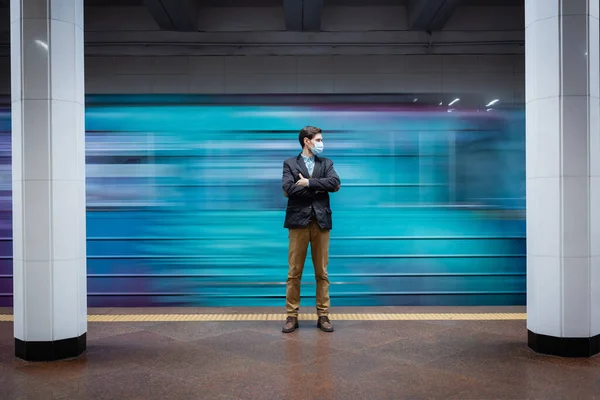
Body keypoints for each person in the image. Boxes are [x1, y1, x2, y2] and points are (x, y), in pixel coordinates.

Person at [281, 126, 341, 333]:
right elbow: (288, 189)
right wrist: (318, 187)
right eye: (318, 139)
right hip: (298, 223)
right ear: (306, 141)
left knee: (322, 273)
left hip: (321, 222)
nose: (321, 143)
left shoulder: (327, 163)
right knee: (294, 273)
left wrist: (307, 183)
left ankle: (323, 315)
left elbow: (335, 183)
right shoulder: (289, 163)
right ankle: (291, 316)